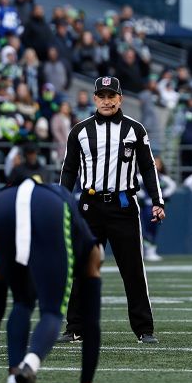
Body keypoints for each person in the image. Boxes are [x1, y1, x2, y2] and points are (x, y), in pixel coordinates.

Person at [0, 179, 109, 383]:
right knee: (51, 311)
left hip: (0, 204)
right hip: (50, 208)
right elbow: (91, 323)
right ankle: (29, 367)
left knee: (21, 302)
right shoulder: (89, 246)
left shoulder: (7, 198)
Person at [58, 76, 166, 344]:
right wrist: (60, 201)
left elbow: (148, 167)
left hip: (123, 206)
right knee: (82, 267)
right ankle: (75, 328)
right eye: (102, 96)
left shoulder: (135, 130)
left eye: (111, 96)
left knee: (132, 270)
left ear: (120, 98)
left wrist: (157, 200)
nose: (106, 101)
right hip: (89, 206)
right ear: (94, 99)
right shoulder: (79, 131)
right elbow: (69, 169)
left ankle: (144, 329)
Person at [140, 157, 177, 262]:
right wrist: (142, 195)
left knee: (154, 228)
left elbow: (172, 185)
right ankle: (148, 251)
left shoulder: (163, 178)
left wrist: (164, 195)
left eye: (158, 164)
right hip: (147, 206)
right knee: (147, 227)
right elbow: (133, 184)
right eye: (154, 163)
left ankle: (152, 251)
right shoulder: (142, 176)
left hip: (158, 207)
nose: (156, 165)